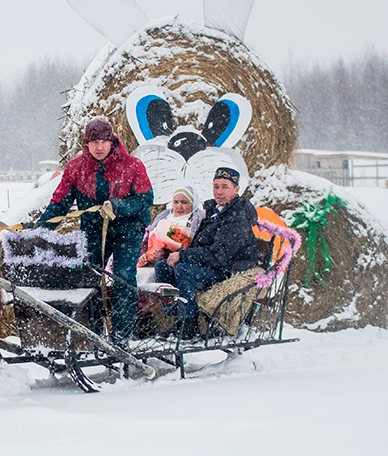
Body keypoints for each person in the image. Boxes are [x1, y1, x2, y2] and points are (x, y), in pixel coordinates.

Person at [37, 118, 154, 344]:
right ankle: (94, 333)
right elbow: (59, 205)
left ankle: (121, 336)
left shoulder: (133, 165)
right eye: (94, 142)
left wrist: (118, 207)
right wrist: (40, 230)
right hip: (92, 229)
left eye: (103, 142)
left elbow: (146, 199)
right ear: (86, 144)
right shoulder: (75, 168)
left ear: (112, 142)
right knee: (87, 277)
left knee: (122, 276)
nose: (99, 147)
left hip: (128, 229)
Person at [155, 166, 264, 339]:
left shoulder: (237, 218)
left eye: (225, 187)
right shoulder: (213, 211)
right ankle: (177, 315)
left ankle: (189, 325)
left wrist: (182, 255)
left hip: (227, 271)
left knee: (183, 269)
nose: (219, 192)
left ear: (236, 189)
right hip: (212, 265)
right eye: (216, 186)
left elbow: (218, 255)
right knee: (162, 266)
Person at [138, 186, 202, 268]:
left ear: (193, 204)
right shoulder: (163, 217)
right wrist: (146, 256)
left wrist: (165, 254)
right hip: (151, 263)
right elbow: (147, 244)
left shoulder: (198, 221)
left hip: (180, 264)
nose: (179, 206)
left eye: (184, 202)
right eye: (176, 202)